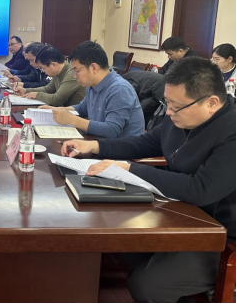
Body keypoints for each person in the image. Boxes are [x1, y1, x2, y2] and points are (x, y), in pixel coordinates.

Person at [61, 57, 236, 303]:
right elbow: (144, 143)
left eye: (176, 106)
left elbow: (201, 189)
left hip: (219, 234)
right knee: (117, 239)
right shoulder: (180, 117)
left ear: (212, 102)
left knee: (147, 286)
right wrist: (94, 146)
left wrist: (131, 169)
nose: (169, 112)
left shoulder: (231, 132)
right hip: (181, 213)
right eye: (167, 103)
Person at [41, 41, 145, 138]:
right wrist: (58, 110)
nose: (75, 76)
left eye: (77, 71)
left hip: (122, 148)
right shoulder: (92, 85)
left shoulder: (119, 89)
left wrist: (72, 119)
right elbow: (83, 108)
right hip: (100, 142)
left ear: (94, 68)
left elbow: (112, 130)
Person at [15, 45, 86, 107]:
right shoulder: (57, 73)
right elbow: (47, 89)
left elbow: (57, 99)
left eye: (43, 68)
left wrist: (37, 95)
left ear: (53, 65)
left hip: (77, 114)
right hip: (65, 110)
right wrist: (26, 91)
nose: (43, 71)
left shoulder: (72, 73)